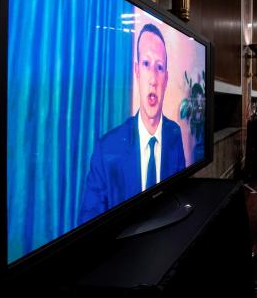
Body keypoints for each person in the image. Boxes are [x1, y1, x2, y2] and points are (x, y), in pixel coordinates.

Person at [79, 24, 186, 224]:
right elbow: (88, 224)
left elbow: (181, 195)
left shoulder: (174, 133)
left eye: (159, 67)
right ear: (136, 71)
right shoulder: (106, 149)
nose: (153, 79)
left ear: (166, 78)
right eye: (146, 64)